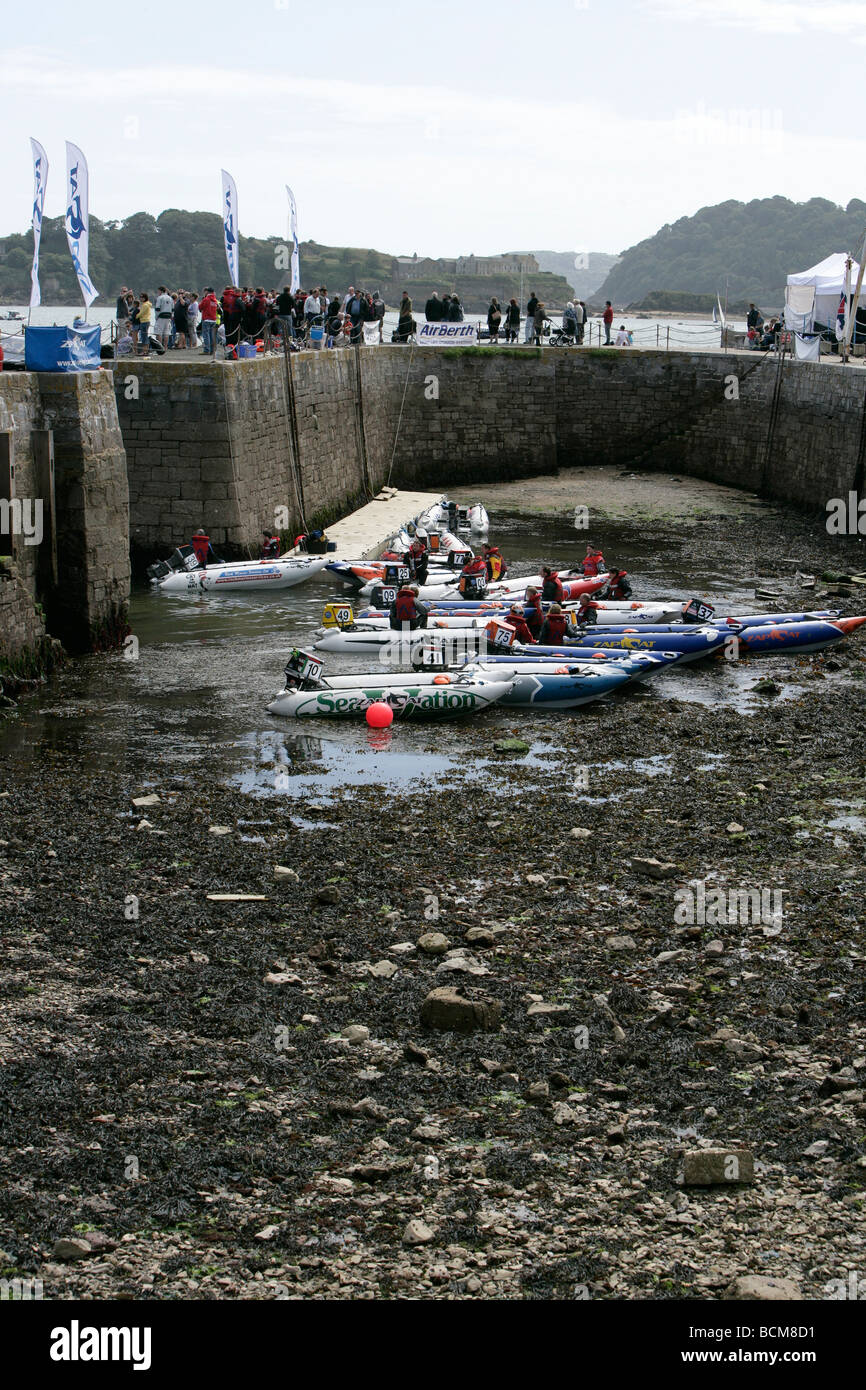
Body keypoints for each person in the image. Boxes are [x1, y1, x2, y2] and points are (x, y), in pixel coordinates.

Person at [200, 287, 219, 355]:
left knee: (206, 335)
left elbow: (200, 307)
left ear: (207, 292)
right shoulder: (215, 300)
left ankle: (206, 350)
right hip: (213, 319)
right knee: (212, 335)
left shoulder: (206, 299)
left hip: (206, 318)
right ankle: (212, 350)